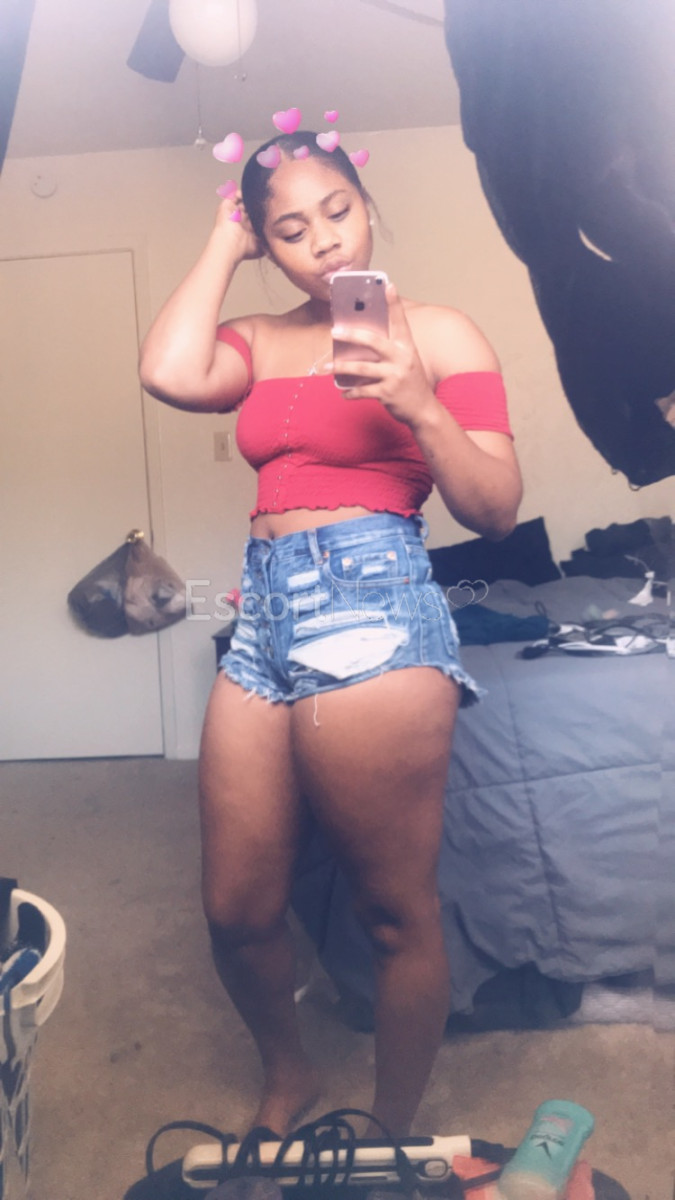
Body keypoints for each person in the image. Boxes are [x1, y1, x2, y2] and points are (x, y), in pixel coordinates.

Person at [139, 129, 523, 1139]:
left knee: (392, 911)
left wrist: (418, 404)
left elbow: (495, 507)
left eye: (338, 211)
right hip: (263, 612)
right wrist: (222, 242)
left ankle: (389, 1135)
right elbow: (168, 370)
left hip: (375, 604)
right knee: (236, 909)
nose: (323, 241)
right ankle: (289, 1075)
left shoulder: (440, 333)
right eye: (289, 229)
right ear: (266, 245)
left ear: (366, 202)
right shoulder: (259, 339)